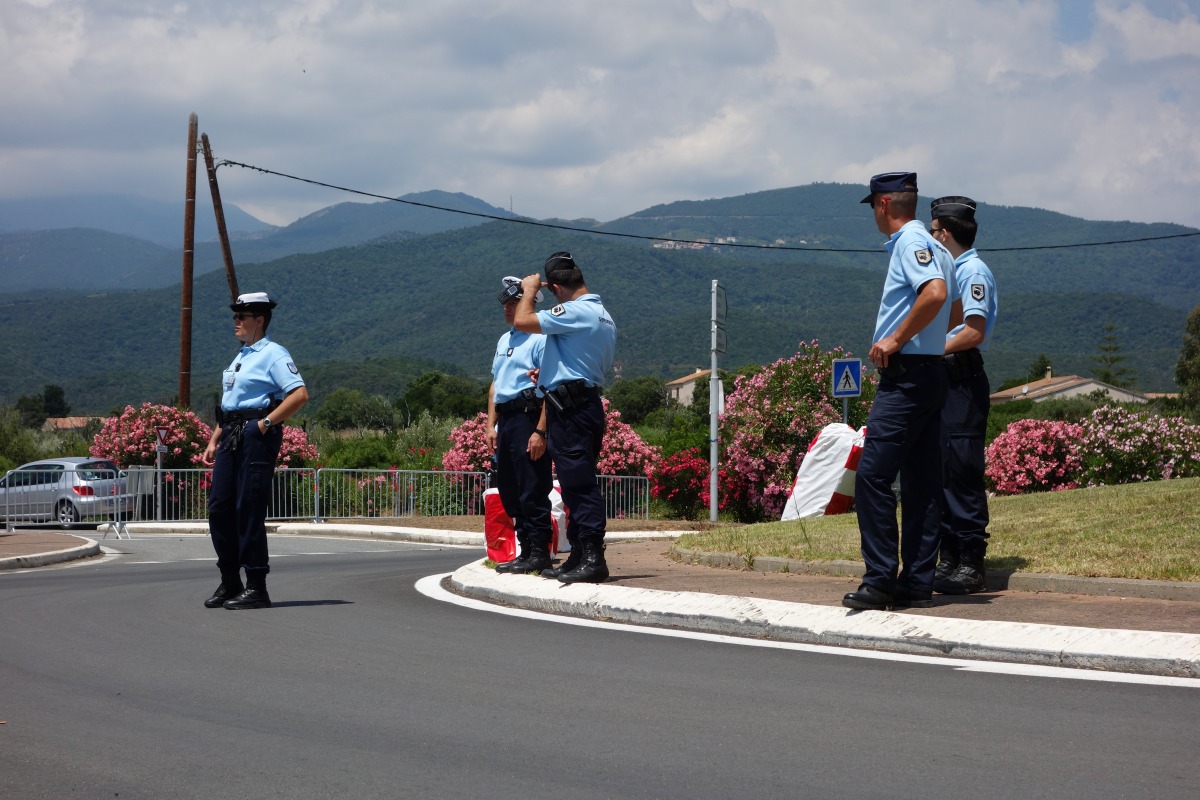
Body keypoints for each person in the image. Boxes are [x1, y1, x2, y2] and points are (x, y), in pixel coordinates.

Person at [843, 172, 957, 611]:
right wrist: (925, 342)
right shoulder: (939, 249)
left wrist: (897, 339)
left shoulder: (911, 243)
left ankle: (879, 579)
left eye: (874, 205)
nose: (874, 213)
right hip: (931, 372)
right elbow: (957, 307)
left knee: (872, 476)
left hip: (906, 377)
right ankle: (916, 580)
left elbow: (935, 293)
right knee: (922, 482)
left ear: (884, 204)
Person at [201, 292, 309, 610]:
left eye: (242, 317)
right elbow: (230, 405)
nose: (235, 321)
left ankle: (256, 586)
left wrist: (264, 424)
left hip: (255, 436)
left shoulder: (273, 354)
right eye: (234, 316)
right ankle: (230, 581)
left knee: (248, 509)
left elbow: (299, 394)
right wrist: (213, 438)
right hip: (231, 434)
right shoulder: (242, 356)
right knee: (220, 509)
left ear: (258, 320)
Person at [514, 252, 617, 583]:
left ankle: (592, 556)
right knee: (573, 485)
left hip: (573, 410)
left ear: (556, 287)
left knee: (580, 484)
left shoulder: (575, 311)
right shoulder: (601, 314)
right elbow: (578, 362)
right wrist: (548, 375)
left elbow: (522, 321)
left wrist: (529, 290)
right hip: (578, 403)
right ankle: (578, 554)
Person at [929, 196, 998, 595]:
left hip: (962, 381)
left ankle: (971, 562)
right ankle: (950, 557)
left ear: (947, 233)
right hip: (944, 382)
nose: (932, 237)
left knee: (961, 469)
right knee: (942, 472)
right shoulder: (952, 272)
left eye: (935, 230)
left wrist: (929, 349)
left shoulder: (973, 272)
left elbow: (973, 330)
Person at [488, 276, 554, 574]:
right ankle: (525, 548)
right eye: (506, 304)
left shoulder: (540, 339)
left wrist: (540, 430)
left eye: (514, 303)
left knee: (532, 486)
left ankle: (539, 551)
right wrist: (491, 426)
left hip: (528, 416)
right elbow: (495, 385)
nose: (507, 309)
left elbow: (550, 387)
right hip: (507, 420)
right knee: (509, 487)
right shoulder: (505, 339)